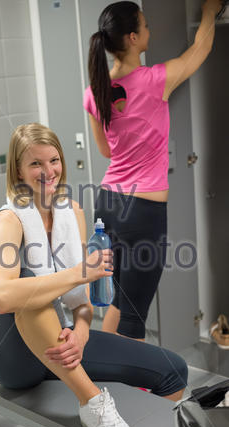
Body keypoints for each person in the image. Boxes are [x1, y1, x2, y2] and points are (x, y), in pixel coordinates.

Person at [0, 123, 188, 427]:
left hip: (59, 341)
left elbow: (83, 301)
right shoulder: (8, 220)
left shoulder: (72, 212)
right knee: (29, 287)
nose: (48, 171)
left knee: (173, 370)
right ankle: (92, 403)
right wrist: (80, 272)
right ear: (18, 171)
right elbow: (0, 298)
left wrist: (79, 333)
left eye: (53, 160)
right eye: (35, 163)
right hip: (13, 357)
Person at [84, 0, 223, 340]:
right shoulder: (154, 80)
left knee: (117, 302)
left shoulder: (95, 92)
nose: (150, 31)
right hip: (141, 212)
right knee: (134, 317)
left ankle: (103, 379)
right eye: (145, 26)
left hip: (108, 204)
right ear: (132, 38)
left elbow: (105, 150)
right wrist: (209, 12)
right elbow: (200, 48)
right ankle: (139, 390)